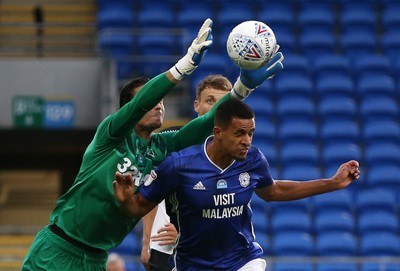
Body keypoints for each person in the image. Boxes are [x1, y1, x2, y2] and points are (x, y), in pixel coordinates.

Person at [21, 17, 284, 271]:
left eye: (161, 102)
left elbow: (199, 128)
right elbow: (141, 102)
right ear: (129, 109)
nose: (158, 104)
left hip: (96, 258)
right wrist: (183, 67)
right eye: (151, 101)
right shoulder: (110, 136)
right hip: (59, 250)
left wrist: (240, 90)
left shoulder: (162, 147)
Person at [113, 98, 361, 271]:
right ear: (219, 132)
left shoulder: (252, 159)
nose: (247, 141)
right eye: (239, 133)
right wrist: (125, 201)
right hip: (192, 265)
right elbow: (141, 205)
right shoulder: (179, 165)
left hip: (243, 261)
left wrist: (332, 183)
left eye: (251, 133)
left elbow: (273, 191)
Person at [140, 75, 232, 271]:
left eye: (223, 102)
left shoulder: (237, 152)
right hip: (167, 239)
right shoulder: (171, 141)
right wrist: (147, 239)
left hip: (213, 246)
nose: (216, 108)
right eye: (210, 101)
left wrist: (185, 235)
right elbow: (150, 193)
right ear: (196, 105)